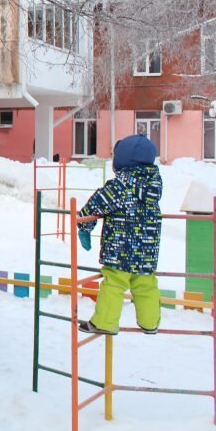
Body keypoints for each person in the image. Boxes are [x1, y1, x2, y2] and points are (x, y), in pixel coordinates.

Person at [77, 134, 163, 335]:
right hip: (147, 251)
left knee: (114, 283)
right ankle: (150, 323)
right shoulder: (153, 186)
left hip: (120, 250)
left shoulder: (119, 187)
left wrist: (84, 227)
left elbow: (94, 205)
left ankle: (104, 323)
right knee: (146, 284)